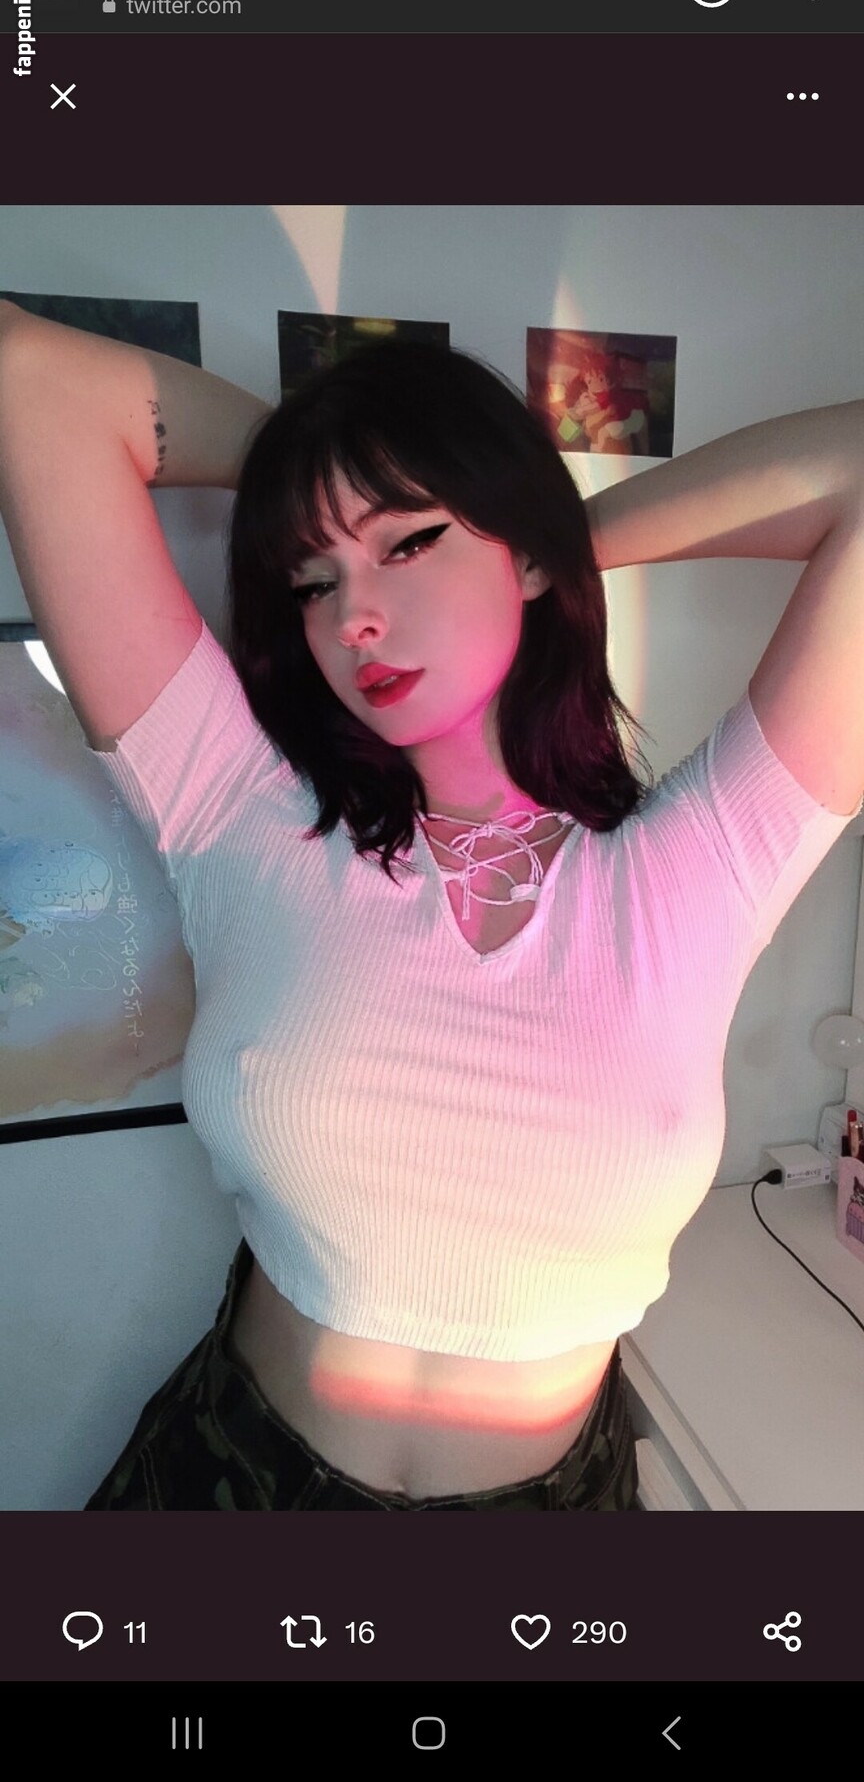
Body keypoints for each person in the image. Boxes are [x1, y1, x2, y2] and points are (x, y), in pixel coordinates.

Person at [1, 303, 862, 1512]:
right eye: (313, 578)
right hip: (227, 1483)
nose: (352, 617)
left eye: (408, 544)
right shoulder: (238, 816)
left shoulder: (694, 872)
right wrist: (322, 476)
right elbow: (30, 378)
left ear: (525, 556)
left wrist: (544, 532)